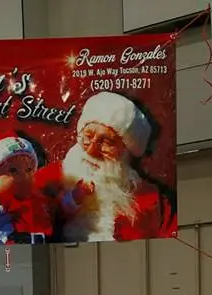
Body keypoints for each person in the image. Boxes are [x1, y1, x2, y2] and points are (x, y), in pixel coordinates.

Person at [35, 91, 176, 242]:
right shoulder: (47, 180)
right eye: (88, 136)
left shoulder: (151, 199)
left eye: (106, 142)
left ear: (126, 151)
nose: (91, 150)